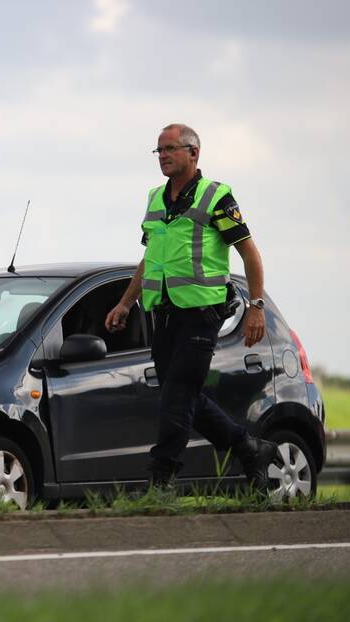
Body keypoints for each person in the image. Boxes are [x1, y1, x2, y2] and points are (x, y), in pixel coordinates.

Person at [104, 123, 277, 492]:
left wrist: (256, 307)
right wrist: (125, 302)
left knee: (178, 393)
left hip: (202, 313)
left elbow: (250, 253)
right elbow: (149, 257)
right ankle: (249, 449)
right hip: (163, 312)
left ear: (193, 153)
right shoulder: (155, 198)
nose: (163, 156)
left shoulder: (217, 196)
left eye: (170, 149)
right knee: (181, 395)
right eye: (159, 151)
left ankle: (161, 478)